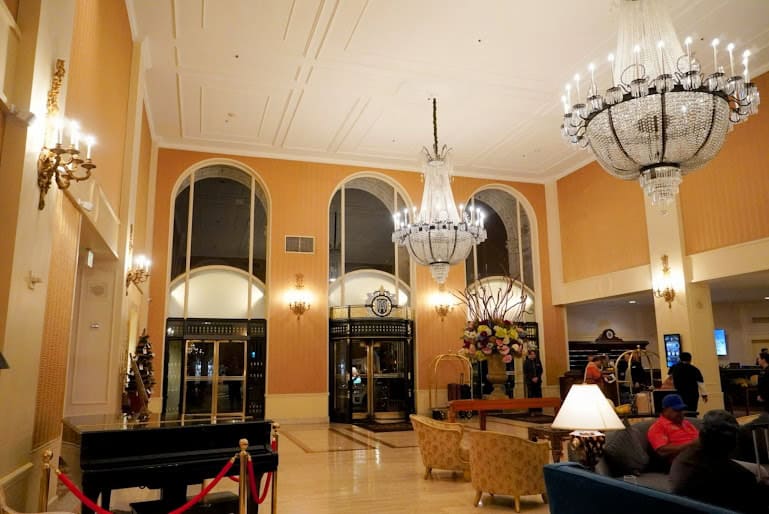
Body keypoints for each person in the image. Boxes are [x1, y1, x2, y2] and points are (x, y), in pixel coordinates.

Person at [670, 410, 769, 513]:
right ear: (731, 442)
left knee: (759, 470)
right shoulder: (741, 477)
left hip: (693, 505)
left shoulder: (682, 460)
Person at [647, 394, 699, 463]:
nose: (681, 413)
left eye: (682, 410)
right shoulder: (658, 427)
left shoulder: (687, 423)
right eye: (676, 410)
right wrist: (692, 445)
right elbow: (662, 451)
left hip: (700, 456)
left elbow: (699, 439)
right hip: (682, 462)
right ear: (665, 410)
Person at [523, 350, 543, 414]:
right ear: (529, 355)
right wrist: (532, 378)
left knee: (538, 395)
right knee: (531, 395)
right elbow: (526, 372)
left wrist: (537, 377)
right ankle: (531, 410)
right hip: (530, 382)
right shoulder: (526, 362)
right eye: (532, 354)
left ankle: (539, 410)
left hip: (538, 381)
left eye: (534, 354)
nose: (533, 355)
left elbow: (541, 370)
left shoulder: (538, 361)